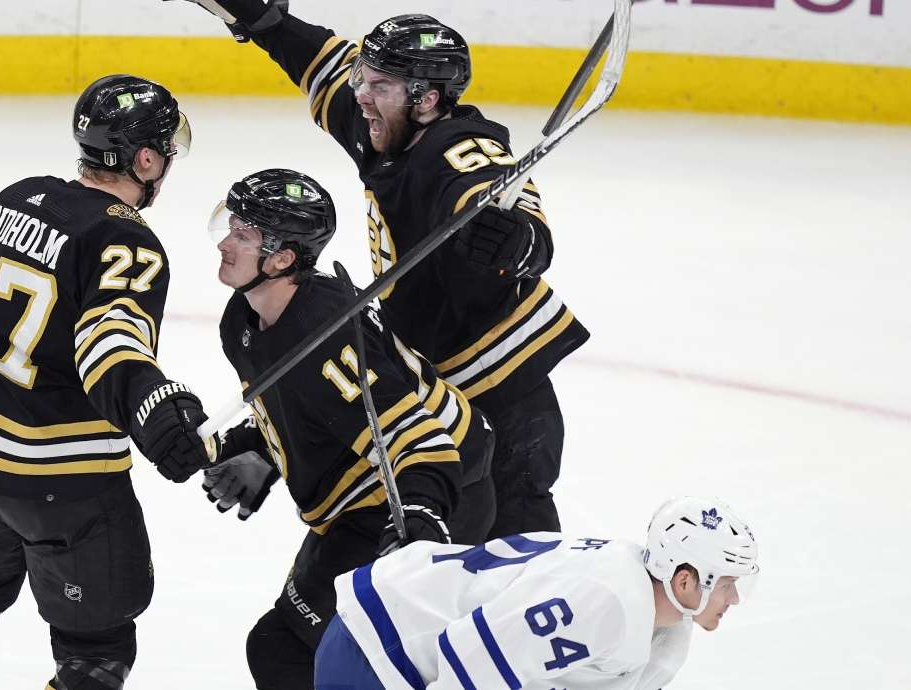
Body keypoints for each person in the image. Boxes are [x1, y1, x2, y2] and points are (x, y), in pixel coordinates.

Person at [169, 0, 590, 537]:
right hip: (430, 380)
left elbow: (508, 202)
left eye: (378, 85)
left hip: (500, 390)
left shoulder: (454, 146)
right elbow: (320, 62)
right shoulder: (383, 123)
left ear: (427, 99)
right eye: (364, 80)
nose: (360, 95)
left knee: (516, 565)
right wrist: (263, 19)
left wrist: (517, 241)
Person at [0, 74, 213, 690]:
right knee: (95, 649)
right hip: (61, 485)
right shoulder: (127, 240)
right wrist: (158, 410)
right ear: (145, 158)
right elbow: (110, 350)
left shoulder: (18, 198)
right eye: (165, 151)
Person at [203, 168, 497, 690]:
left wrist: (424, 516)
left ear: (283, 258)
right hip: (365, 499)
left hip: (424, 491)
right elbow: (304, 404)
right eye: (231, 226)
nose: (226, 241)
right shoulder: (244, 321)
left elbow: (418, 439)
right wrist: (263, 451)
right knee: (297, 651)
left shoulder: (326, 340)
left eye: (243, 234)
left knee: (294, 652)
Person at [313, 496, 760, 689]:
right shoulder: (607, 600)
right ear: (685, 580)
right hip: (380, 647)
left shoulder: (661, 629)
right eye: (726, 583)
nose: (734, 599)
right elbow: (474, 658)